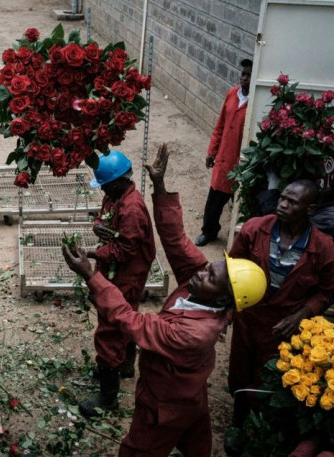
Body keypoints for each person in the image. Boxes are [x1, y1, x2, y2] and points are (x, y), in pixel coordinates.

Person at [62, 143, 267, 457]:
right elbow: (175, 239)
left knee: (139, 449)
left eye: (212, 275)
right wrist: (159, 185)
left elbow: (131, 322)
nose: (202, 270)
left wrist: (91, 275)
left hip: (166, 400)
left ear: (226, 298)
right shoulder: (202, 283)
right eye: (212, 265)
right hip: (189, 392)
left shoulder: (193, 333)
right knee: (197, 441)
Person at [225, 179, 334, 456]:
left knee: (271, 377)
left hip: (283, 327)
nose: (282, 204)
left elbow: (325, 291)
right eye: (283, 198)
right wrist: (228, 309)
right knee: (240, 372)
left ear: (310, 209)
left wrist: (302, 314)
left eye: (292, 202)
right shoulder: (254, 229)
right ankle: (237, 424)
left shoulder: (323, 248)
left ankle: (261, 429)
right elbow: (232, 270)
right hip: (249, 317)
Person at [78, 150, 156, 418]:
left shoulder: (132, 209)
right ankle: (124, 366)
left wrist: (89, 257)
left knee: (111, 327)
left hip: (127, 275)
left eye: (105, 186)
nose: (103, 192)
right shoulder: (115, 196)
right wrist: (100, 227)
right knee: (127, 319)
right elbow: (105, 219)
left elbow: (123, 251)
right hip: (117, 270)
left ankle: (108, 397)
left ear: (119, 181)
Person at [195, 59, 253, 246]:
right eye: (243, 74)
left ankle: (239, 241)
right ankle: (209, 232)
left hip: (242, 162)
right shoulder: (232, 94)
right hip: (223, 158)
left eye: (249, 75)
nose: (244, 78)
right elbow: (220, 124)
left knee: (240, 202)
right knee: (214, 200)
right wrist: (212, 151)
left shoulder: (255, 103)